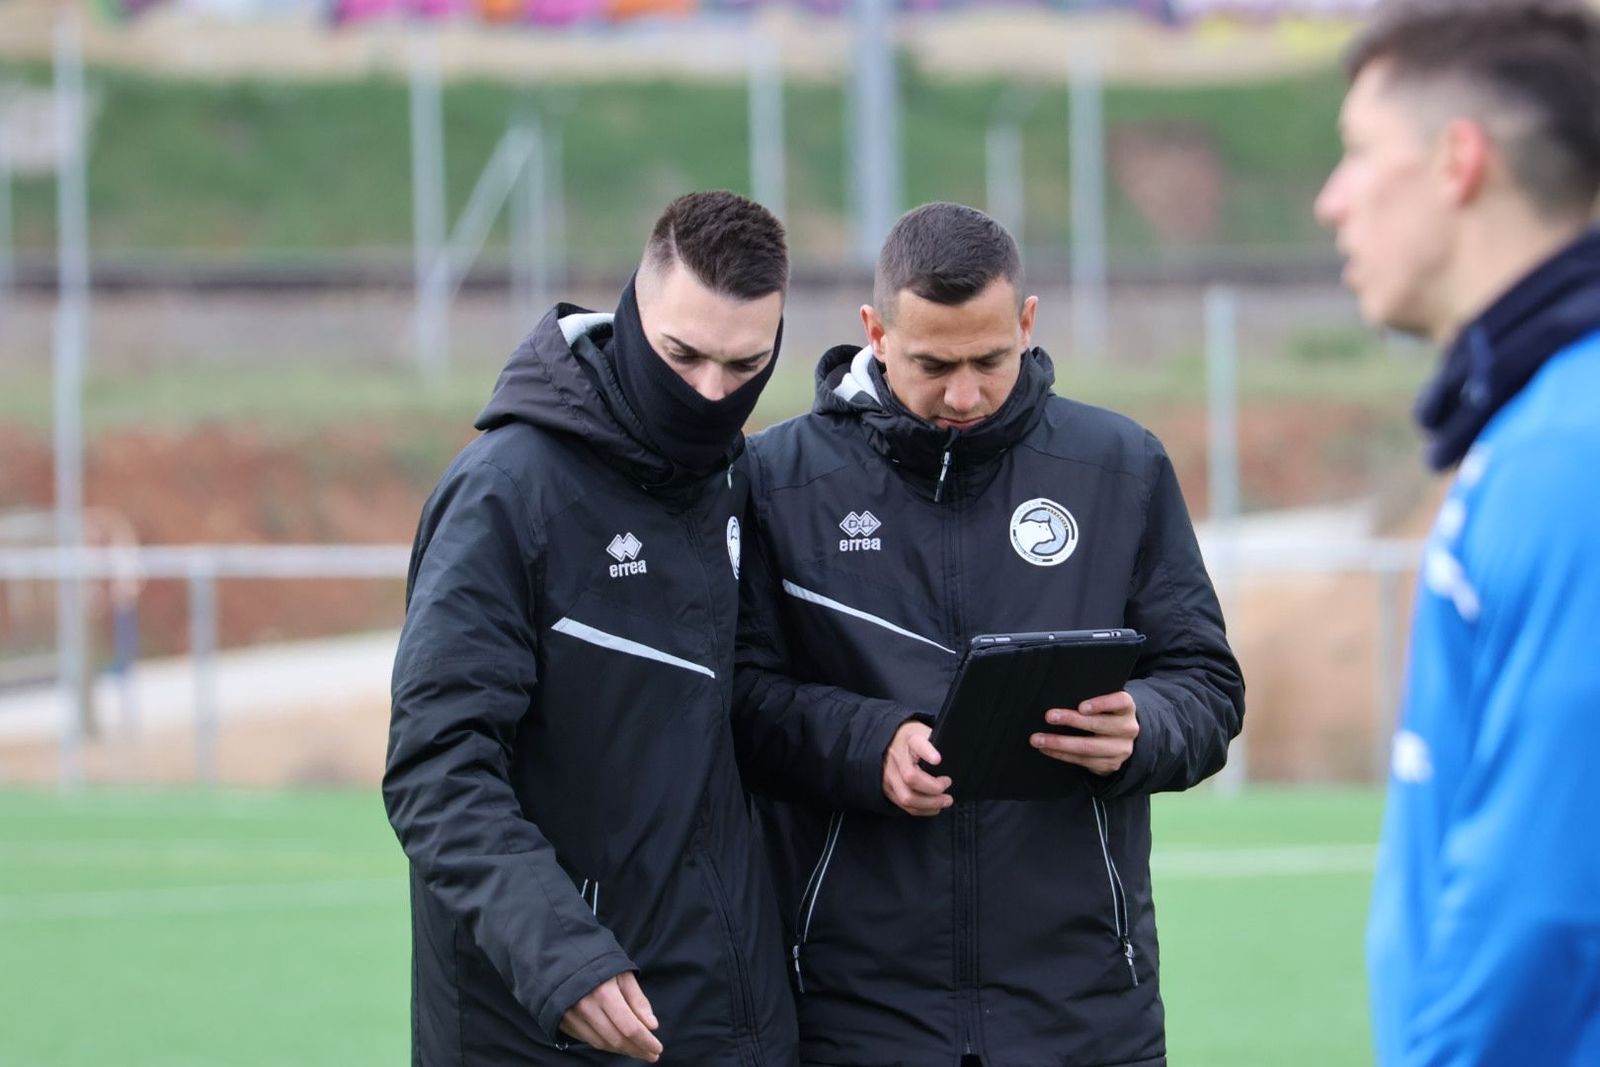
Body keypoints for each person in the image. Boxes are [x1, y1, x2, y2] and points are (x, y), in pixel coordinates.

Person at [732, 201, 1244, 1067]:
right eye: (933, 364)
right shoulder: (779, 480)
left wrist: (1143, 724)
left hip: (1084, 1008)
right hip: (855, 1008)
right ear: (876, 331)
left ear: (1029, 322)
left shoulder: (1119, 466)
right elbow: (737, 700)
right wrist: (867, 741)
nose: (963, 394)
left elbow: (1207, 682)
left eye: (989, 360)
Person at [384, 191, 799, 1066]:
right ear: (631, 311)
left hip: (722, 1015)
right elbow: (437, 766)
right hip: (541, 1024)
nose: (711, 392)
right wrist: (559, 959)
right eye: (683, 355)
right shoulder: (505, 492)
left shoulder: (734, 479)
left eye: (743, 365)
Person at [1314, 1, 1600, 1062]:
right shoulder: (1540, 425)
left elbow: (1550, 891)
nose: (1330, 199)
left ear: (1457, 162)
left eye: (1357, 154)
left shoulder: (1564, 453)